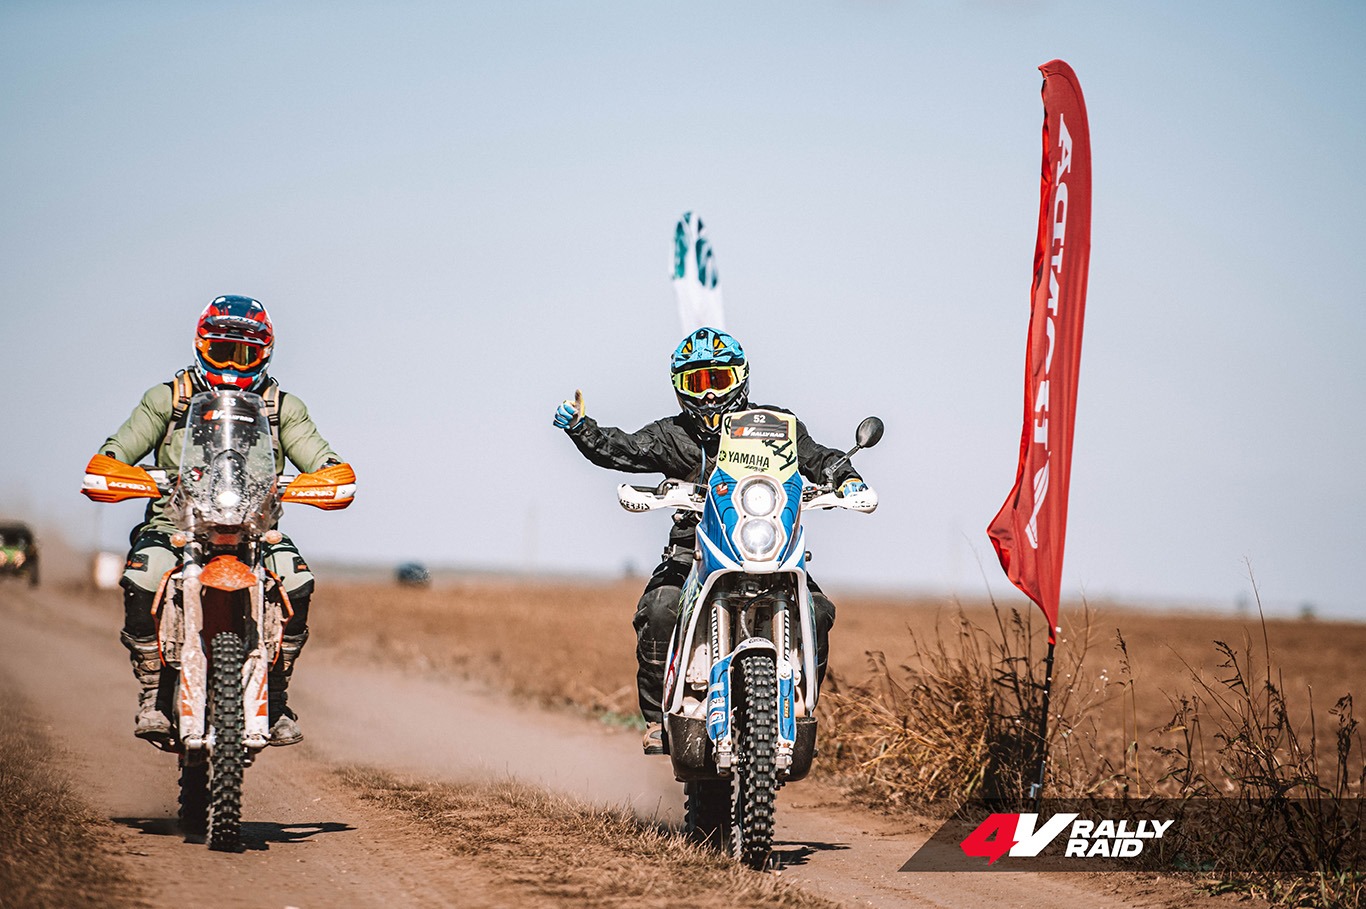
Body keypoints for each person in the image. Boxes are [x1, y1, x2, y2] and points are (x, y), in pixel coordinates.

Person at [553, 327, 868, 753]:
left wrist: (847, 478)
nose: (707, 394)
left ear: (740, 378)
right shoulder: (672, 434)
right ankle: (657, 720)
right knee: (660, 608)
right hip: (694, 547)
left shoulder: (776, 427)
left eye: (717, 379)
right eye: (696, 382)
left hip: (766, 542)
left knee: (818, 610)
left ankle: (799, 708)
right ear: (679, 388)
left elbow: (818, 456)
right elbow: (625, 448)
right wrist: (582, 428)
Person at [96, 295, 344, 746]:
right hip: (175, 525)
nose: (232, 364)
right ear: (200, 346)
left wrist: (328, 473)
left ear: (264, 355)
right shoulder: (169, 399)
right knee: (143, 578)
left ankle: (276, 695)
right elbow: (120, 447)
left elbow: (318, 454)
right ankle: (154, 692)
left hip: (255, 530)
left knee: (297, 582)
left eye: (244, 354)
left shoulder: (281, 408)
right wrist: (112, 466)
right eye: (222, 351)